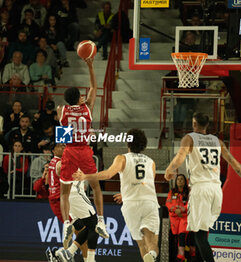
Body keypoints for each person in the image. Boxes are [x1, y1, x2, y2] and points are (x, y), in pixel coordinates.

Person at [164, 112, 241, 262]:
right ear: (207, 125)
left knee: (200, 235)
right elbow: (234, 162)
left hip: (201, 189)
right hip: (216, 190)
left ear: (194, 124)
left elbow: (180, 157)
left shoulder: (189, 138)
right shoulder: (217, 141)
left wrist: (169, 169)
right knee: (202, 233)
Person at [73, 128, 160, 262]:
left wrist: (86, 175)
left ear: (128, 143)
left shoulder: (122, 158)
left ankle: (149, 256)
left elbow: (108, 174)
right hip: (149, 202)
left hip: (130, 205)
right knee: (151, 237)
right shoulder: (151, 162)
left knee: (141, 244)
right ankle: (153, 254)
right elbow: (147, 183)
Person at [57, 58, 108, 250]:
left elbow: (62, 136)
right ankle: (101, 220)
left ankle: (65, 225)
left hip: (69, 151)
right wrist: (90, 64)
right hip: (85, 151)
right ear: (80, 97)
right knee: (95, 187)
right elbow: (94, 87)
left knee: (64, 193)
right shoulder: (87, 108)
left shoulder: (61, 110)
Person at [46, 143, 98, 262]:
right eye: (60, 146)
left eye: (64, 146)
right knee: (90, 227)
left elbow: (50, 179)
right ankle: (67, 253)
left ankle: (68, 253)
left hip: (61, 198)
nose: (63, 148)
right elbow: (60, 169)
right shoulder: (59, 161)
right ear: (53, 150)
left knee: (82, 231)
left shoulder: (53, 162)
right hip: (63, 199)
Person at [166, 174, 195, 262]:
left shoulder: (189, 192)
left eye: (181, 179)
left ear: (185, 181)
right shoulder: (172, 192)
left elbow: (191, 204)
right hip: (175, 219)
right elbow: (168, 203)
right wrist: (175, 210)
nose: (179, 181)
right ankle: (178, 256)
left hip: (185, 217)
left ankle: (184, 255)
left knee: (184, 236)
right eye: (178, 179)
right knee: (175, 239)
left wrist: (182, 210)